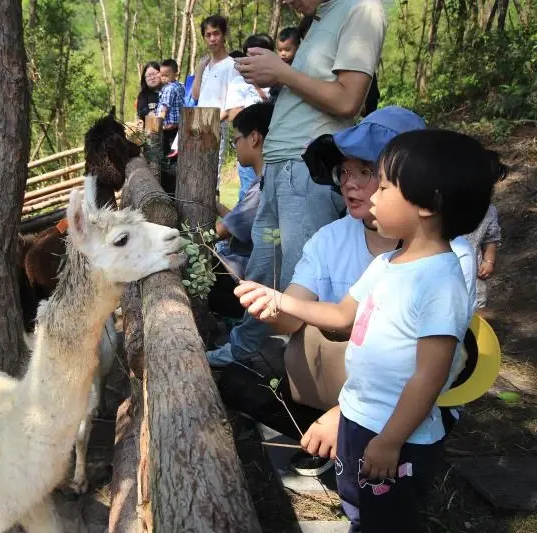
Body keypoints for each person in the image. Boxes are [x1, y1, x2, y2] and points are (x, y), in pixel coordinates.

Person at [235, 129, 505, 532]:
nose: (369, 192)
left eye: (384, 183)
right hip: (361, 416)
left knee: (390, 518)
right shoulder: (387, 264)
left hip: (396, 431)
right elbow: (343, 316)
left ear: (427, 204)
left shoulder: (440, 280)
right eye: (346, 172)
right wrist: (279, 300)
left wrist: (391, 440)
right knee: (360, 505)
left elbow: (430, 376)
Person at [215, 107, 477, 464]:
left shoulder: (449, 261)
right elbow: (297, 316)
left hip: (407, 400)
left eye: (370, 174)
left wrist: (344, 415)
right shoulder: (333, 239)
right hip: (345, 386)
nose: (349, 184)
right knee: (238, 379)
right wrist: (272, 305)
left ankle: (365, 443)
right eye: (345, 171)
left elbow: (432, 369)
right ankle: (333, 443)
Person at [208, 0, 387, 370]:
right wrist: (275, 74)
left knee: (297, 279)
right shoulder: (320, 18)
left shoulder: (361, 9)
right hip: (280, 167)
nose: (286, 2)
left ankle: (301, 373)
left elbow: (348, 99)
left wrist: (281, 72)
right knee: (263, 269)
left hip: (306, 168)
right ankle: (245, 352)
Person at [208, 102, 274, 318]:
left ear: (254, 138)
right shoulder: (263, 181)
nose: (235, 147)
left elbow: (221, 231)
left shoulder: (263, 186)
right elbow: (238, 220)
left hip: (244, 281)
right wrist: (216, 204)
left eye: (236, 140)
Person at [222, 34, 276, 201]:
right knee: (248, 192)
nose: (252, 61)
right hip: (250, 146)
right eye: (248, 56)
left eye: (258, 56)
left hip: (273, 149)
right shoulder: (238, 83)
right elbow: (233, 115)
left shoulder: (278, 81)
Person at [191, 15, 239, 190]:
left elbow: (231, 104)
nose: (212, 38)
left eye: (216, 33)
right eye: (208, 34)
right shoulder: (205, 65)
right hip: (197, 123)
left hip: (216, 125)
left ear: (224, 34)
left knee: (211, 173)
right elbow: (196, 96)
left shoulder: (232, 65)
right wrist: (198, 71)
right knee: (195, 171)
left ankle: (209, 214)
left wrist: (211, 123)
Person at [155, 59, 186, 195]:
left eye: (166, 75)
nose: (163, 78)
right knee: (176, 159)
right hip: (179, 128)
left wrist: (157, 122)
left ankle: (170, 191)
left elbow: (164, 108)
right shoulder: (181, 86)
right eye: (162, 75)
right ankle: (177, 189)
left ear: (175, 74)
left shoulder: (168, 89)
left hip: (169, 129)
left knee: (168, 160)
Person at [463, 204, 502, 309]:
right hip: (442, 272)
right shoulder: (437, 204)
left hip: (473, 273)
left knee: (473, 309)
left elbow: (490, 238)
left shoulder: (487, 210)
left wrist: (488, 261)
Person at [136, 62, 161, 127]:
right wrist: (152, 114)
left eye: (154, 74)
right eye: (149, 75)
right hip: (151, 129)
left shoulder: (169, 93)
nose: (152, 77)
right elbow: (142, 111)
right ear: (144, 79)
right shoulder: (143, 95)